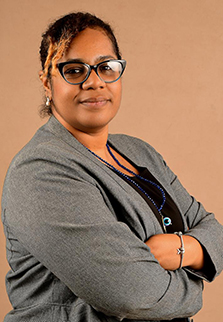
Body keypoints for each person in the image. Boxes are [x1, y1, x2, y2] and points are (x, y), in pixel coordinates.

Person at [1, 12, 223, 322]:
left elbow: (214, 231)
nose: (94, 82)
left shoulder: (138, 152)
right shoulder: (40, 171)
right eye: (74, 70)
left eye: (106, 68)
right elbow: (134, 294)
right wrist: (193, 288)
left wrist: (180, 249)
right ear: (47, 83)